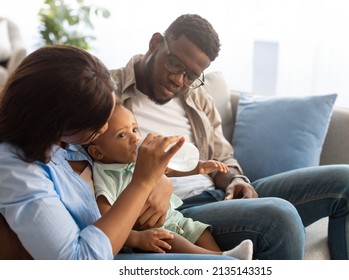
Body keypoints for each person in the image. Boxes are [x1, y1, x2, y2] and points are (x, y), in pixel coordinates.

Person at [110, 14, 349, 259]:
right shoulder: (110, 94)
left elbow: (222, 156)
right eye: (174, 64)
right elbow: (92, 169)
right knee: (279, 218)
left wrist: (236, 179)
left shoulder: (196, 96)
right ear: (156, 43)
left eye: (191, 76)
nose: (178, 80)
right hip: (179, 211)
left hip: (218, 196)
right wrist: (153, 182)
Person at [0, 44, 234, 260]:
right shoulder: (19, 169)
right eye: (96, 124)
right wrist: (143, 183)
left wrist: (160, 178)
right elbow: (80, 262)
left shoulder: (69, 142)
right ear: (55, 122)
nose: (104, 128)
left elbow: (125, 163)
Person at [86, 103, 253, 259]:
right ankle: (222, 260)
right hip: (149, 231)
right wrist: (136, 238)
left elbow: (170, 168)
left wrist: (199, 167)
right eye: (122, 135)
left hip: (175, 219)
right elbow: (106, 217)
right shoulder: (105, 175)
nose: (135, 138)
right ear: (98, 152)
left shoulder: (141, 160)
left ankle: (222, 256)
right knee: (171, 240)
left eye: (135, 129)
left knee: (201, 232)